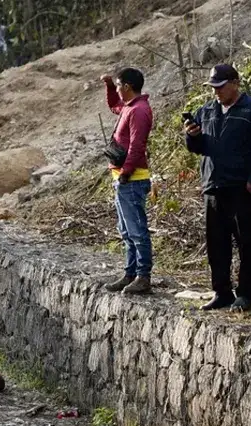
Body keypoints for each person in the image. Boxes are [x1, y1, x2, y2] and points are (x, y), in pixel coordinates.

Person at [183, 64, 251, 311]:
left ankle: (245, 293)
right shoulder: (206, 110)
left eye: (220, 87)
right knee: (216, 243)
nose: (216, 93)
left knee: (246, 242)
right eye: (213, 88)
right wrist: (192, 135)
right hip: (213, 185)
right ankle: (221, 291)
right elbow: (197, 147)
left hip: (242, 187)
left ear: (235, 83)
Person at [100, 67, 154, 295]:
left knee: (137, 230)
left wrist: (126, 172)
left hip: (132, 180)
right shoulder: (129, 107)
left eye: (120, 86)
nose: (119, 90)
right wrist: (110, 87)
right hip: (123, 178)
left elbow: (137, 145)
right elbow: (114, 106)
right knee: (126, 230)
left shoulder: (139, 111)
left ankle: (143, 276)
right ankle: (130, 273)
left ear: (128, 87)